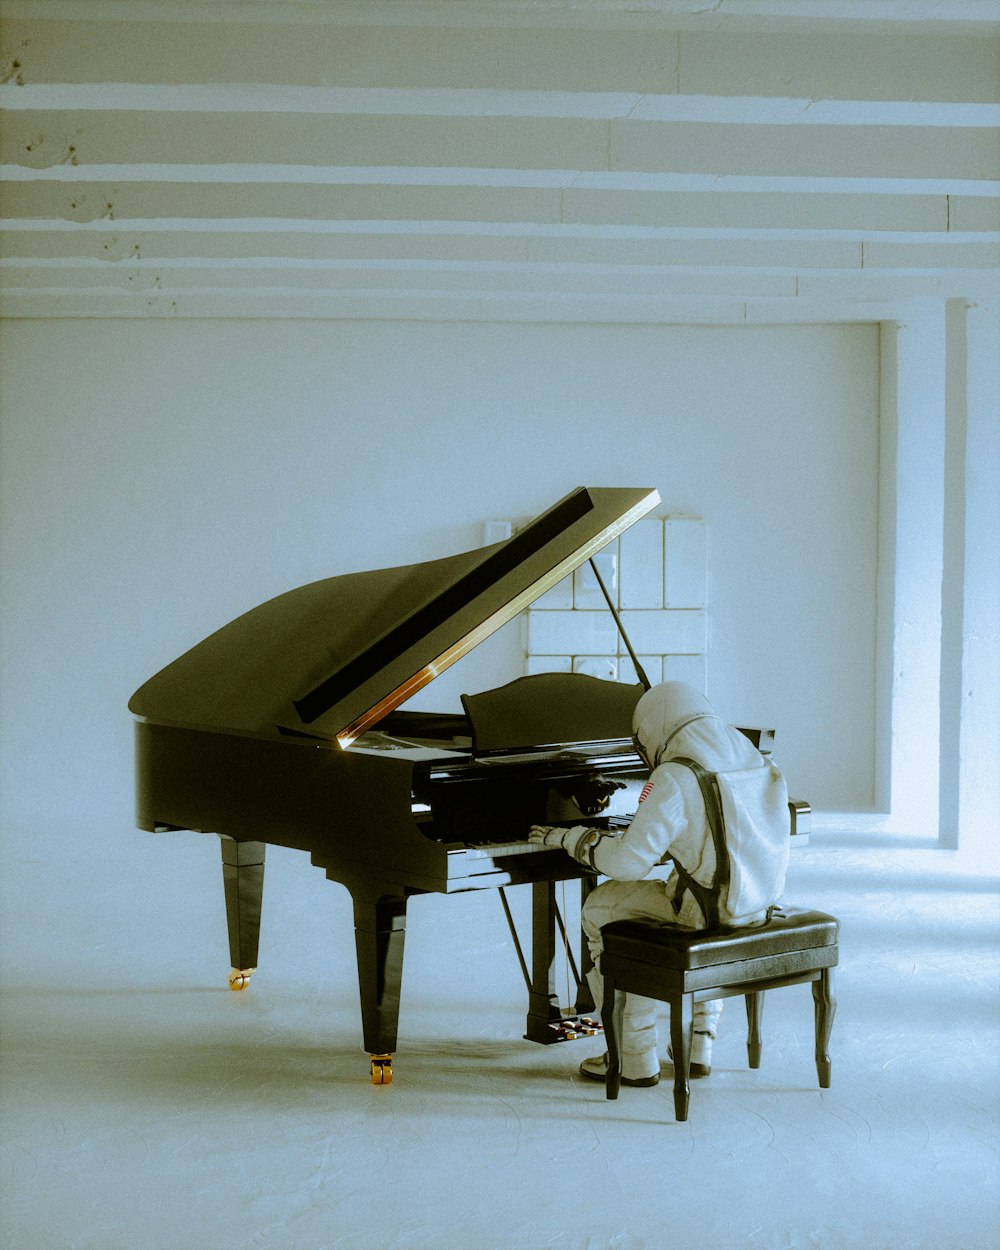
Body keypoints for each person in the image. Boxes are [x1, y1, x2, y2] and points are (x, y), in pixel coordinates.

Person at [528, 680, 790, 1087]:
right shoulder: (746, 752)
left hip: (704, 913)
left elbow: (628, 863)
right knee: (656, 912)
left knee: (601, 907)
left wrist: (570, 838)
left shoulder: (674, 774)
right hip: (754, 906)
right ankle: (700, 1046)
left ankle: (632, 1056)